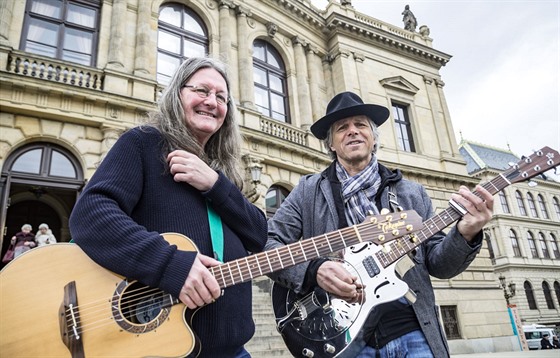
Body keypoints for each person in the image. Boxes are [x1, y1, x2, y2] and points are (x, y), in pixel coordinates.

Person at [265, 91, 494, 357]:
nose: (352, 131)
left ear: (374, 138)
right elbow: (269, 245)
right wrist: (313, 270)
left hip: (411, 331)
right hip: (344, 338)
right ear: (331, 144)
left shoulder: (411, 193)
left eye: (361, 125)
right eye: (342, 128)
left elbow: (439, 265)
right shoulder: (307, 192)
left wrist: (465, 234)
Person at [69, 57, 267, 357]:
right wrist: (171, 265)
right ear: (177, 95)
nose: (212, 102)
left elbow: (259, 234)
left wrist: (215, 183)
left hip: (234, 350)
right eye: (201, 90)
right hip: (162, 348)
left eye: (221, 97)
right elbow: (91, 213)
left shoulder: (223, 174)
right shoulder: (143, 143)